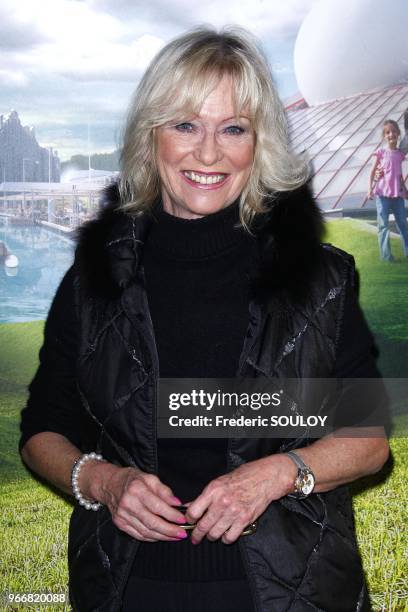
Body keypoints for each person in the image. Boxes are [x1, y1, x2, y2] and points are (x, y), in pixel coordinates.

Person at [20, 28, 389, 612]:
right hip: (127, 590)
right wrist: (104, 482)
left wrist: (275, 474)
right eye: (185, 125)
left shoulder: (320, 279)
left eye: (233, 128)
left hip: (293, 593)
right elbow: (42, 431)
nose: (209, 153)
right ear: (151, 137)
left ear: (258, 144)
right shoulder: (93, 280)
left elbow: (368, 442)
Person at [367, 118, 408, 261]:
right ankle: (386, 256)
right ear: (384, 136)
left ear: (398, 134)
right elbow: (372, 171)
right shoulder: (380, 152)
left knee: (403, 223)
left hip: (397, 196)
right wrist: (369, 189)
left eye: (394, 131)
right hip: (382, 196)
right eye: (388, 132)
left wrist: (405, 190)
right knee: (383, 226)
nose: (391, 134)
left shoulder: (400, 154)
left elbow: (399, 175)